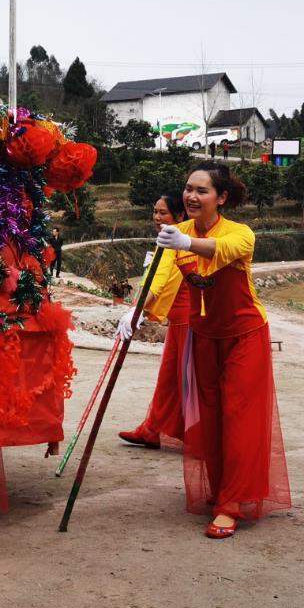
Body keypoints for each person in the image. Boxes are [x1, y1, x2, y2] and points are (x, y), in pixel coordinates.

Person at [121, 162, 291, 538]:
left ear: (221, 198)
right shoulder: (174, 233)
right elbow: (161, 279)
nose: (192, 196)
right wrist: (136, 310)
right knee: (210, 417)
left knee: (239, 415)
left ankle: (232, 504)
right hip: (202, 335)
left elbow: (222, 249)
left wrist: (187, 243)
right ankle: (220, 492)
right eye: (188, 189)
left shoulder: (240, 233)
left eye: (202, 191)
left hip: (244, 334)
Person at [117, 191, 190, 449]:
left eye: (163, 213)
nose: (157, 218)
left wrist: (135, 311)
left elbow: (157, 284)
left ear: (179, 215)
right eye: (155, 212)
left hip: (190, 321)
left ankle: (199, 436)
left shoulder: (177, 239)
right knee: (170, 378)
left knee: (187, 380)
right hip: (179, 319)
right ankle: (151, 429)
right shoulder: (173, 237)